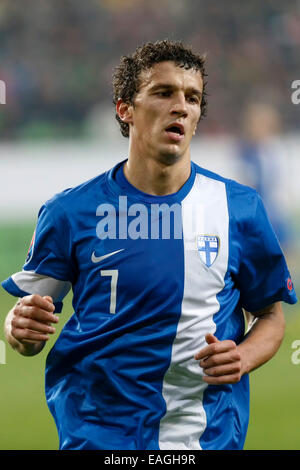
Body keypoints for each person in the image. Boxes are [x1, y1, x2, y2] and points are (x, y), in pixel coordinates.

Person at [2, 40, 297, 451]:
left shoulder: (239, 209)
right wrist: (17, 329)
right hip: (97, 435)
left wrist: (244, 357)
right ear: (125, 109)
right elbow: (29, 333)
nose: (181, 106)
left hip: (204, 437)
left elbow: (270, 316)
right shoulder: (70, 211)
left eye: (192, 98)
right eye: (163, 93)